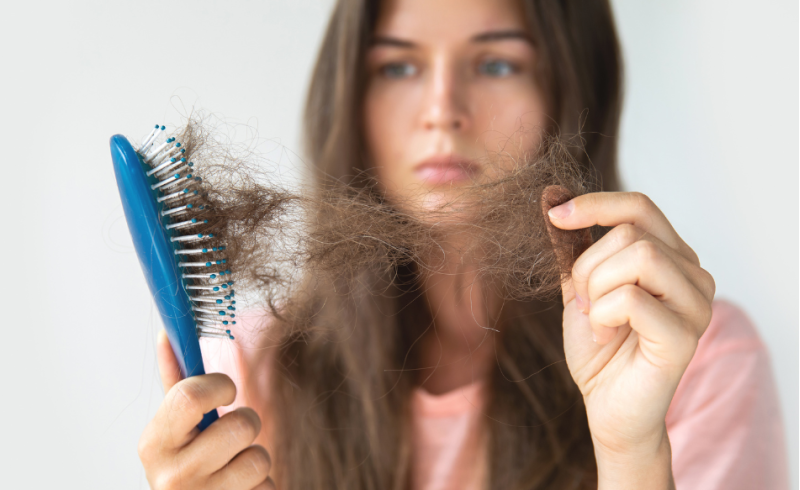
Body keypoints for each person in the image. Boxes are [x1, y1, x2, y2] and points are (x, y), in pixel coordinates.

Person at [137, 0, 789, 488]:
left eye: (497, 63)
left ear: (573, 92)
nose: (442, 107)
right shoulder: (255, 372)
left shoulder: (687, 357)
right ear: (351, 100)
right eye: (398, 67)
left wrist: (631, 451)